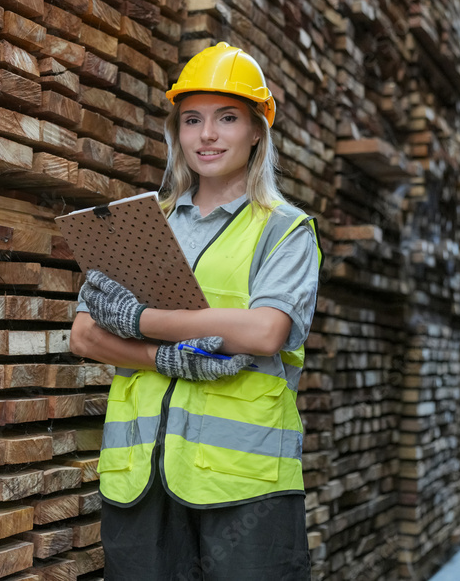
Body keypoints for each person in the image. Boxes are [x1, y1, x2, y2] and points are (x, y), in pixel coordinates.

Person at [68, 42, 323, 580]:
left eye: (227, 118)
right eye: (192, 120)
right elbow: (86, 335)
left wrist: (139, 323)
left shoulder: (283, 229)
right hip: (141, 477)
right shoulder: (143, 222)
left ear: (257, 130)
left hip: (245, 485)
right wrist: (168, 359)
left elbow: (266, 331)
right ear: (176, 132)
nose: (206, 135)